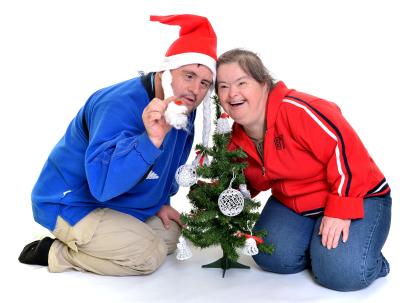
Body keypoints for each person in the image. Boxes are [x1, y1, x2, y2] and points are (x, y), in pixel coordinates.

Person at [18, 14, 217, 276]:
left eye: (204, 83)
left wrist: (161, 202)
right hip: (72, 202)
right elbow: (102, 186)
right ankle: (57, 252)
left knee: (170, 236)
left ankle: (113, 239)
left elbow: (171, 163)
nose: (194, 90)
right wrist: (151, 140)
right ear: (165, 72)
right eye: (188, 75)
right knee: (148, 256)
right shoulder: (117, 105)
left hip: (120, 201)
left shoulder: (180, 107)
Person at [216, 48, 391, 291]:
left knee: (343, 273)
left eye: (241, 83)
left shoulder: (297, 109)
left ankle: (366, 259)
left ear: (264, 84)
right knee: (268, 255)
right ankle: (323, 252)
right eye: (223, 86)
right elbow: (249, 180)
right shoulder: (235, 137)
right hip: (296, 203)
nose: (232, 93)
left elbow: (346, 150)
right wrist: (217, 195)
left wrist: (340, 209)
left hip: (356, 193)